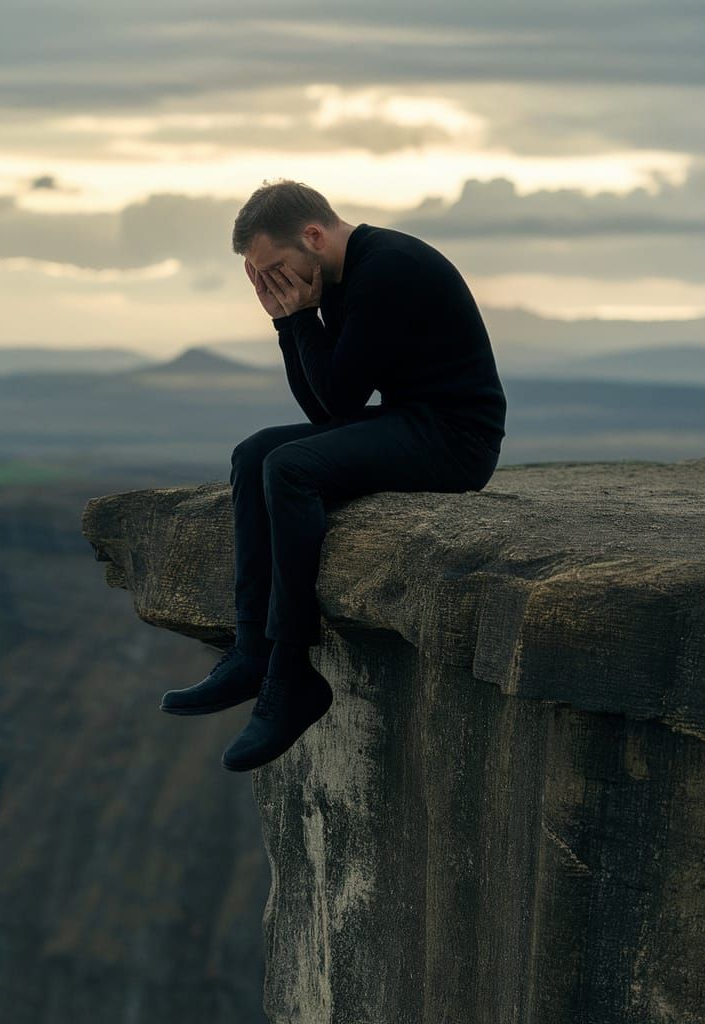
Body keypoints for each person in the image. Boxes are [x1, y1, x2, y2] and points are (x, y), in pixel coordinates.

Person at [160, 178, 507, 772]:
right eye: (257, 274)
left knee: (290, 467)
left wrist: (299, 320)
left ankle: (292, 672)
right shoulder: (339, 276)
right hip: (411, 420)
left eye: (273, 266)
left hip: (455, 439)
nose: (269, 281)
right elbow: (324, 410)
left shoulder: (386, 268)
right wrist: (288, 323)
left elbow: (340, 406)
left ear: (314, 236)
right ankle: (252, 649)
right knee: (255, 453)